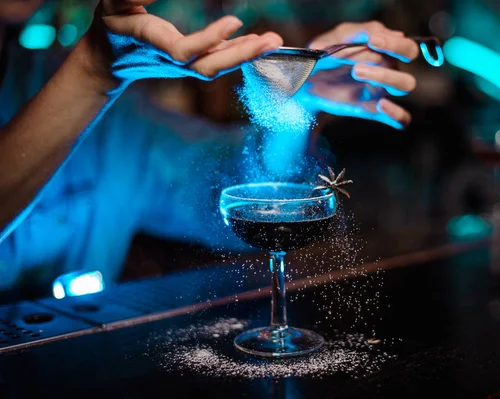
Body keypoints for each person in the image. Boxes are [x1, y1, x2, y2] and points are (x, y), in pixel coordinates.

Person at [0, 0, 419, 295]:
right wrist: (92, 71)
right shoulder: (92, 72)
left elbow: (230, 193)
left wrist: (293, 102)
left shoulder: (108, 113)